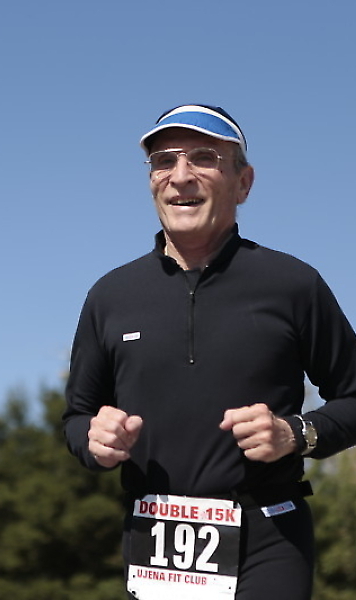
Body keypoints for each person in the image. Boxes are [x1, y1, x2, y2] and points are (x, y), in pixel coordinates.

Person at [63, 104, 356, 600]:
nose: (180, 176)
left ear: (244, 183)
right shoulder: (109, 296)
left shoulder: (293, 284)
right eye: (164, 161)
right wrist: (94, 441)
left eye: (204, 158)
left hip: (270, 533)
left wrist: (295, 434)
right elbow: (77, 417)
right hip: (155, 542)